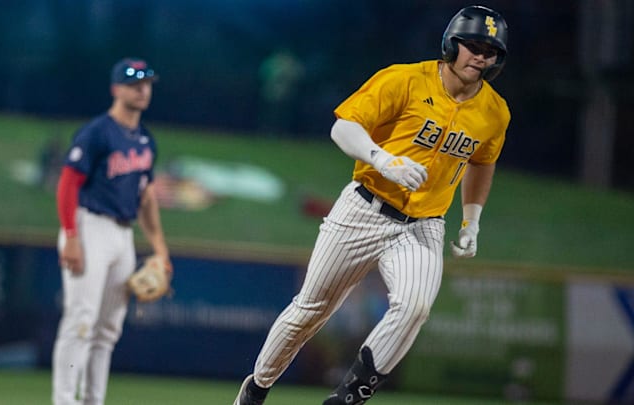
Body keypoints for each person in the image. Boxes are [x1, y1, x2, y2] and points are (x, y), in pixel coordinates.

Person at [234, 5, 509, 405]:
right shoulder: (404, 79)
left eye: (491, 49)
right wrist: (382, 159)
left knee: (414, 307)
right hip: (364, 207)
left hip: (424, 223)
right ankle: (256, 389)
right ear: (452, 44)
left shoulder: (495, 111)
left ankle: (348, 398)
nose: (481, 55)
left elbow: (483, 162)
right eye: (474, 45)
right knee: (310, 311)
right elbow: (343, 126)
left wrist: (472, 221)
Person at [53, 57, 173, 405]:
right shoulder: (97, 133)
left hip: (123, 235)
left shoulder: (146, 141)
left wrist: (160, 249)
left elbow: (147, 198)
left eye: (147, 83)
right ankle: (64, 400)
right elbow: (67, 185)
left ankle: (92, 400)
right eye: (134, 83)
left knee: (107, 330)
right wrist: (71, 236)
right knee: (81, 321)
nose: (142, 89)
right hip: (89, 228)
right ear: (116, 89)